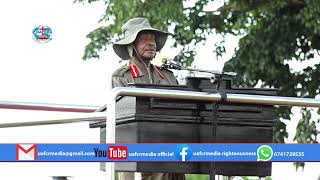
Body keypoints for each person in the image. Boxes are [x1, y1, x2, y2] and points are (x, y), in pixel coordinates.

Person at [111, 17, 185, 180]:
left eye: (153, 39)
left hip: (172, 150)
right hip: (137, 151)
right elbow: (124, 116)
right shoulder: (121, 77)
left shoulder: (168, 76)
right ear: (131, 46)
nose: (151, 43)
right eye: (144, 39)